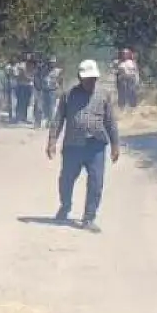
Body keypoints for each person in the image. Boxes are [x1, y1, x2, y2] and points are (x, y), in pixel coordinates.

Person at [47, 59, 121, 232]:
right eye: (87, 78)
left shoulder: (103, 95)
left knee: (96, 182)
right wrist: (52, 141)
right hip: (73, 145)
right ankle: (65, 206)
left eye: (93, 78)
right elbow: (58, 119)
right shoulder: (69, 95)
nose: (91, 82)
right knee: (66, 179)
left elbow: (110, 121)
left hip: (96, 146)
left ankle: (88, 218)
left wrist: (115, 144)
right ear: (80, 78)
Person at [36, 57, 62, 126]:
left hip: (52, 91)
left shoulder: (58, 71)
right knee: (43, 106)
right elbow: (39, 78)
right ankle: (44, 120)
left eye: (53, 62)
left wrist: (58, 87)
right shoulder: (44, 70)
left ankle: (50, 122)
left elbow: (61, 80)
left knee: (51, 107)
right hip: (44, 90)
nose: (51, 64)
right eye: (50, 62)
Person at [13, 57, 35, 124]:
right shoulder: (20, 65)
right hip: (21, 85)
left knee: (26, 102)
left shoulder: (32, 66)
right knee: (20, 101)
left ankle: (24, 117)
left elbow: (31, 77)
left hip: (28, 86)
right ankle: (17, 117)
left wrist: (25, 74)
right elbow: (16, 75)